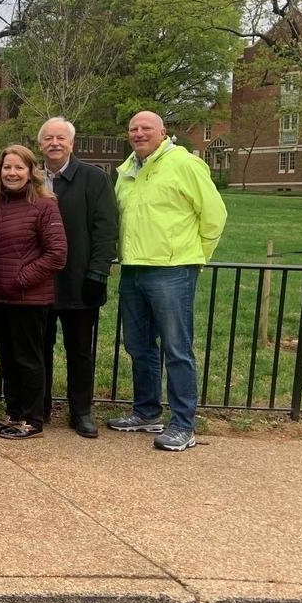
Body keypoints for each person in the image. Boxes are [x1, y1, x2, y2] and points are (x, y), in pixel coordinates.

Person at [110, 111, 227, 451]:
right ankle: (146, 412)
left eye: (146, 128)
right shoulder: (127, 169)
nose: (139, 133)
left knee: (177, 348)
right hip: (133, 268)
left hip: (173, 269)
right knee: (139, 345)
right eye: (133, 128)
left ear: (163, 132)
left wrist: (195, 257)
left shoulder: (184, 164)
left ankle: (183, 424)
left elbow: (214, 215)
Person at [0, 144, 67, 440]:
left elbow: (57, 254)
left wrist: (22, 277)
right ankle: (13, 412)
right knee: (8, 357)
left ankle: (32, 418)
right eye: (7, 168)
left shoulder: (44, 204)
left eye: (18, 168)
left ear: (30, 171)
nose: (11, 173)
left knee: (29, 358)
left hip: (29, 298)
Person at [37, 117, 119, 439]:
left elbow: (106, 228)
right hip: (38, 283)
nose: (54, 143)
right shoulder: (31, 178)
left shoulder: (93, 179)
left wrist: (98, 271)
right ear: (41, 143)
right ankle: (37, 407)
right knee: (38, 349)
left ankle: (81, 411)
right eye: (48, 138)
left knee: (80, 351)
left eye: (61, 138)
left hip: (79, 281)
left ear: (72, 143)